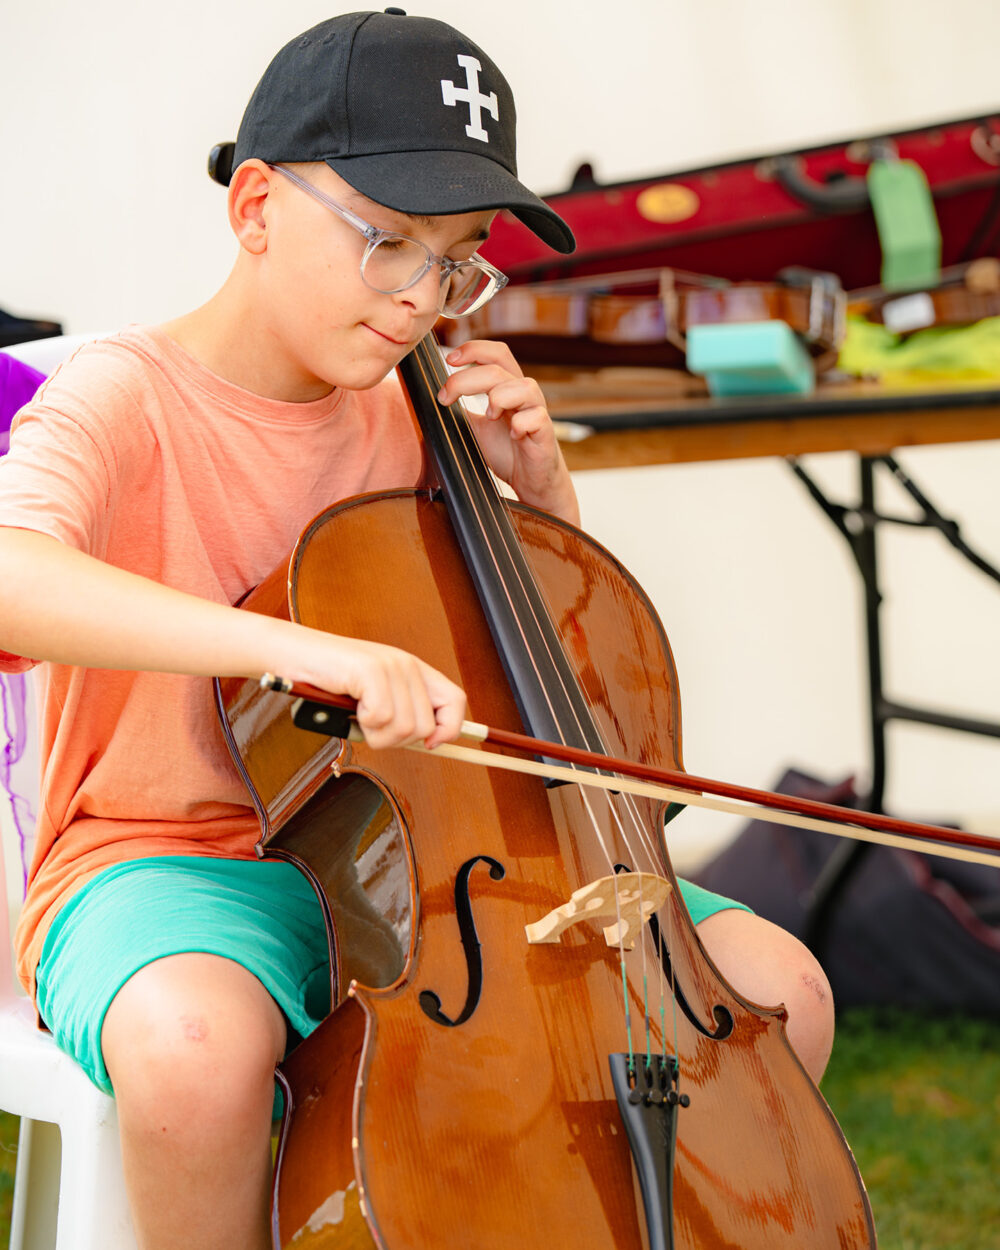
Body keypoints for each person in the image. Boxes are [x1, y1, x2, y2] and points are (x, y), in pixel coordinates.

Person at [0, 12, 833, 1250]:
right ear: (255, 207)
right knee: (193, 1042)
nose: (419, 300)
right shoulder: (124, 396)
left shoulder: (417, 405)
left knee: (778, 987)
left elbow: (551, 668)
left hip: (437, 861)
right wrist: (290, 650)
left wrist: (538, 501)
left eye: (456, 260)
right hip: (171, 860)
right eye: (386, 242)